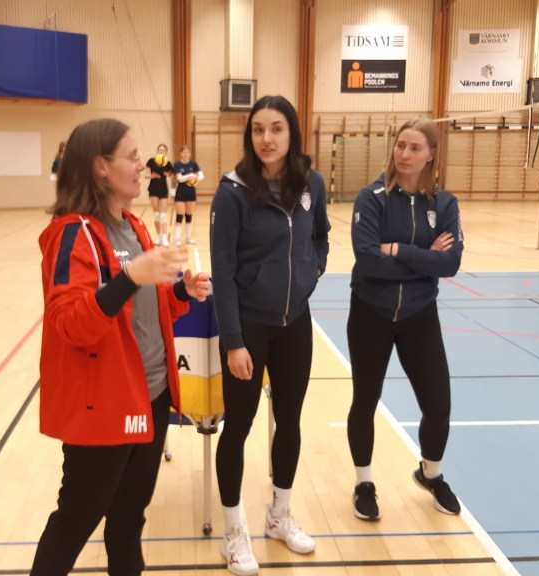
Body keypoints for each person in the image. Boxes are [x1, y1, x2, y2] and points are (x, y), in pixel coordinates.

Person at [32, 118, 212, 576]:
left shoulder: (133, 225)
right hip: (105, 404)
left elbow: (146, 308)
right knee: (74, 522)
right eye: (132, 158)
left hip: (152, 396)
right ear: (100, 167)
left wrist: (180, 292)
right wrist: (132, 277)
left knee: (130, 521)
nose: (142, 167)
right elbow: (70, 323)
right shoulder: (71, 234)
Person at [209, 95, 330, 576]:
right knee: (237, 427)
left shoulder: (311, 184)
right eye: (258, 129)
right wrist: (234, 340)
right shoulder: (232, 192)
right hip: (249, 328)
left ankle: (280, 515)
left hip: (294, 322)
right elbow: (223, 272)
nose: (266, 138)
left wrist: (313, 271)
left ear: (291, 132)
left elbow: (320, 235)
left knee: (289, 421)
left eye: (276, 128)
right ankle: (234, 532)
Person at [346, 118, 464, 522]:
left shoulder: (444, 205)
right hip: (371, 312)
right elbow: (368, 261)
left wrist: (398, 249)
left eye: (415, 148)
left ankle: (431, 474)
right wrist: (425, 258)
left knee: (438, 405)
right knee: (365, 400)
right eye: (400, 146)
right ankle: (364, 483)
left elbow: (451, 263)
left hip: (419, 315)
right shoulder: (372, 198)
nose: (405, 154)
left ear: (431, 154)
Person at [171, 145, 203, 246]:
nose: (186, 154)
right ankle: (177, 239)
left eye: (188, 152)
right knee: (179, 216)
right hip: (180, 192)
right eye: (184, 152)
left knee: (189, 216)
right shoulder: (177, 165)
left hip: (191, 192)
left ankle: (188, 238)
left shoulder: (193, 164)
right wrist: (191, 175)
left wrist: (195, 177)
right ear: (181, 153)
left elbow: (201, 176)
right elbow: (179, 179)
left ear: (190, 154)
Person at [145, 143, 174, 247]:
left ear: (166, 152)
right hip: (153, 189)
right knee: (157, 215)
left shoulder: (168, 163)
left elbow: (172, 175)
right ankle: (159, 238)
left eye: (163, 150)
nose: (161, 151)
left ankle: (165, 239)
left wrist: (169, 175)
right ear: (157, 151)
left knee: (163, 215)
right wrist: (151, 176)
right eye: (160, 150)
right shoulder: (151, 161)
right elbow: (146, 175)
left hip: (163, 189)